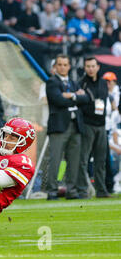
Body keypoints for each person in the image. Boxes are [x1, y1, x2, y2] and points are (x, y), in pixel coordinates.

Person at [45, 54, 89, 200]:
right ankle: (52, 191)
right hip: (58, 126)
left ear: (69, 66)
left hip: (75, 125)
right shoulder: (51, 82)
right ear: (55, 67)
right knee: (55, 160)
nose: (63, 67)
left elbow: (86, 99)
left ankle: (72, 191)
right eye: (60, 64)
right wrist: (76, 97)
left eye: (65, 64)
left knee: (74, 161)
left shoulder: (74, 82)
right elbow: (58, 100)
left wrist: (70, 96)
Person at [78, 56, 111, 198]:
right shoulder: (81, 83)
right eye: (88, 66)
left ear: (98, 67)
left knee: (101, 160)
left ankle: (101, 191)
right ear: (85, 68)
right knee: (83, 159)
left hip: (101, 125)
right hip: (87, 124)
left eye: (93, 66)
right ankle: (82, 190)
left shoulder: (104, 83)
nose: (91, 69)